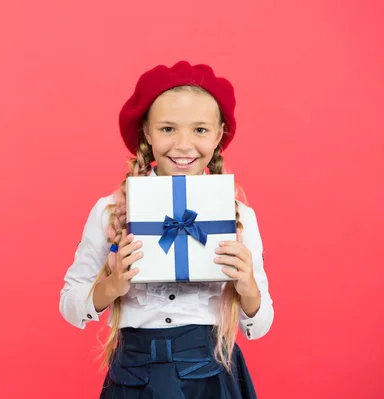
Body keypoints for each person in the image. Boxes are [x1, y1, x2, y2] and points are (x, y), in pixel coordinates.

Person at [59, 60, 274, 398]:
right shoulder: (110, 210)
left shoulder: (239, 215)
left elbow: (258, 328)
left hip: (210, 376)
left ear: (219, 134)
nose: (184, 145)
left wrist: (246, 285)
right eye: (168, 129)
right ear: (147, 132)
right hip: (134, 375)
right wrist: (113, 284)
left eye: (200, 130)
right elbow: (71, 307)